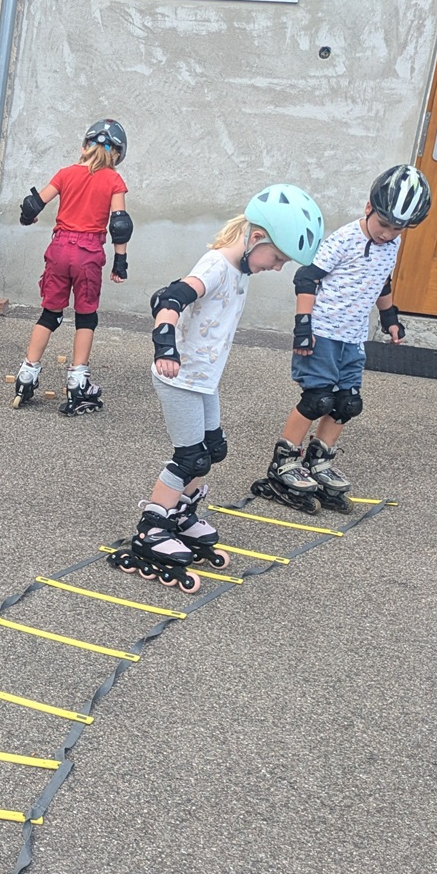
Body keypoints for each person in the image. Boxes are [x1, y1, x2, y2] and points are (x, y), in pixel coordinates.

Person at [109, 183, 324, 593]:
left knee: (212, 450)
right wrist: (165, 345)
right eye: (278, 258)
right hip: (180, 378)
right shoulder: (217, 265)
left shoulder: (242, 269)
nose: (278, 267)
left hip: (203, 381)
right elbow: (171, 298)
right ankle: (152, 527)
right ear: (255, 238)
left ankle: (180, 513)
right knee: (189, 457)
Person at [254, 164, 430, 514]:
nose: (388, 234)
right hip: (322, 332)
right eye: (384, 224)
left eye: (397, 229)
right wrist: (303, 326)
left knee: (347, 403)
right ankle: (284, 463)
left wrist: (390, 318)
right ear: (369, 207)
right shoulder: (345, 239)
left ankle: (318, 461)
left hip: (353, 337)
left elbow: (382, 281)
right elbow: (307, 278)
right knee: (318, 399)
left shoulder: (391, 245)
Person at [12, 119, 132, 414]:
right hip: (87, 254)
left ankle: (27, 372)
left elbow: (33, 204)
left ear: (84, 147)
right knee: (85, 317)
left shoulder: (65, 173)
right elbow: (120, 225)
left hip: (59, 250)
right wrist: (120, 262)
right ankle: (78, 381)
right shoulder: (114, 181)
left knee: (50, 313)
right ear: (117, 154)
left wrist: (28, 218)